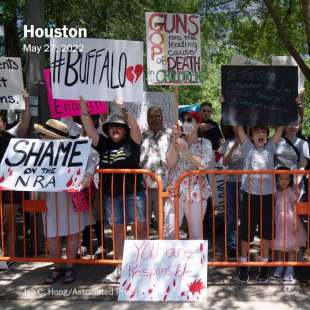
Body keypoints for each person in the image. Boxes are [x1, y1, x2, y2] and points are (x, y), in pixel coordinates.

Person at [80, 97, 146, 283]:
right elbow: (90, 129)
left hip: (135, 193)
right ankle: (120, 266)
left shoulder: (133, 142)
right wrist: (83, 106)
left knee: (139, 229)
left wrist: (124, 108)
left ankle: (141, 267)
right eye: (111, 127)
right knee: (117, 231)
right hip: (111, 196)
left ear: (125, 130)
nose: (114, 129)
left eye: (119, 126)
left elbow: (136, 127)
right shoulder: (104, 144)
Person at [34, 119, 95, 284]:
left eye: (45, 135)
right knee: (51, 235)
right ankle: (57, 266)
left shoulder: (75, 148)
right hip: (48, 197)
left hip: (70, 197)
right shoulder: (39, 150)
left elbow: (92, 159)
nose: (42, 137)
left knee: (72, 233)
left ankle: (69, 266)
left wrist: (88, 175)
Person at [235, 125, 283, 283]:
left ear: (267, 136)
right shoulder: (247, 146)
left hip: (268, 196)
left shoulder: (270, 146)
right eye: (257, 132)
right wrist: (225, 104)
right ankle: (243, 265)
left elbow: (280, 129)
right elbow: (238, 126)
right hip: (250, 196)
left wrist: (291, 106)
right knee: (245, 233)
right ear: (252, 136)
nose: (260, 134)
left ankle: (264, 266)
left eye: (263, 132)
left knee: (266, 234)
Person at [164, 111, 214, 240]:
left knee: (196, 231)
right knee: (169, 229)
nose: (186, 122)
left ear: (198, 124)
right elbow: (170, 162)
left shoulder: (205, 143)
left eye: (189, 120)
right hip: (175, 191)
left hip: (197, 193)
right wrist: (174, 141)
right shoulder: (177, 141)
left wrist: (186, 152)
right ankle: (169, 259)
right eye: (184, 120)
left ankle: (195, 259)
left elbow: (205, 164)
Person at [0, 90, 30, 268]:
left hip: (10, 186)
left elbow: (25, 121)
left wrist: (25, 100)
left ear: (4, 122)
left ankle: (10, 257)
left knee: (10, 223)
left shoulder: (11, 134)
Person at [272, 167, 306, 283]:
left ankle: (290, 268)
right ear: (276, 179)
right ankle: (280, 265)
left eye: (287, 179)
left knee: (292, 245)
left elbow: (295, 206)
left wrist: (296, 222)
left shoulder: (291, 191)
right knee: (279, 245)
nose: (284, 181)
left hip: (290, 221)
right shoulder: (274, 191)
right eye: (281, 178)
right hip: (279, 222)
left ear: (290, 180)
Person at [140, 106, 171, 229]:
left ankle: (165, 249)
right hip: (144, 188)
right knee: (143, 225)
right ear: (147, 119)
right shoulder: (142, 135)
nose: (154, 119)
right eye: (151, 116)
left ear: (162, 118)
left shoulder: (171, 135)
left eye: (157, 116)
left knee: (164, 225)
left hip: (163, 187)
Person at [221, 125, 244, 259]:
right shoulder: (228, 142)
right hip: (230, 182)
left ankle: (246, 245)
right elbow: (225, 162)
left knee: (246, 215)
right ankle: (232, 246)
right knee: (231, 216)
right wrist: (234, 146)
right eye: (234, 125)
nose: (237, 127)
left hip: (247, 183)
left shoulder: (250, 141)